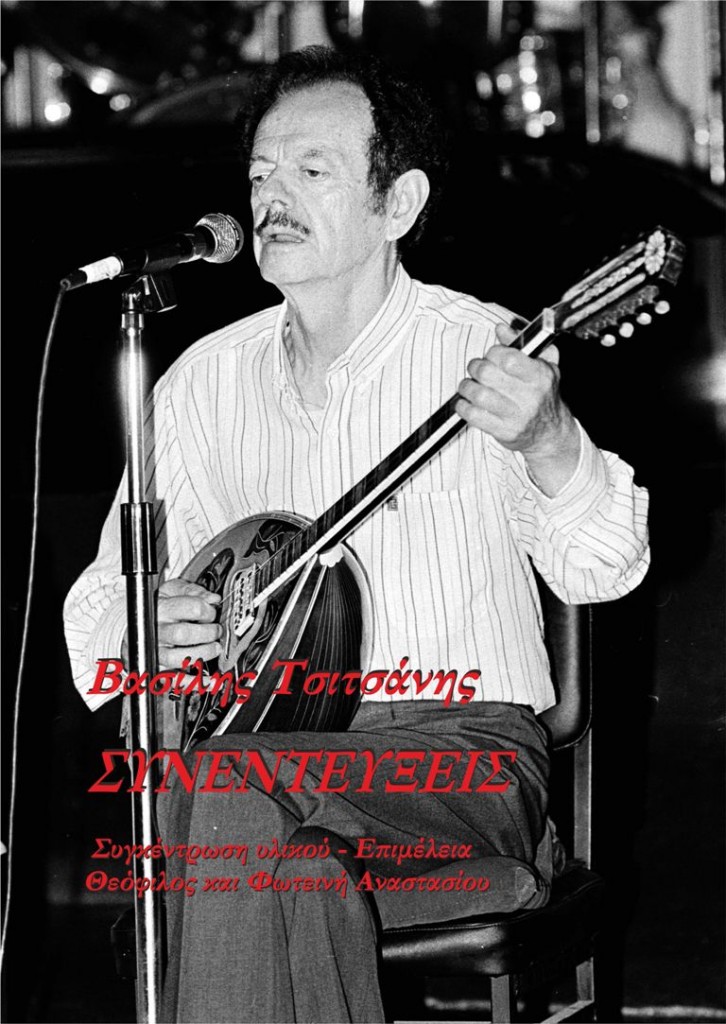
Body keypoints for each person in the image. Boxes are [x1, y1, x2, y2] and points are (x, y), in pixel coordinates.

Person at [65, 45, 649, 1024]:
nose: (272, 197)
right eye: (261, 173)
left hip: (460, 762)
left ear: (398, 205)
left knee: (216, 812)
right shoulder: (203, 383)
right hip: (267, 772)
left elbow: (608, 564)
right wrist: (145, 626)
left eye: (312, 169)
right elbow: (100, 607)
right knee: (280, 865)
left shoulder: (483, 351)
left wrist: (551, 440)